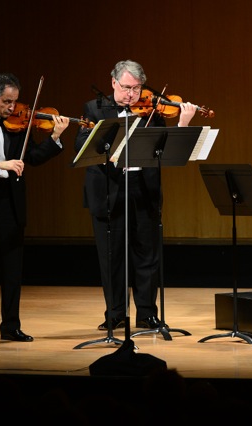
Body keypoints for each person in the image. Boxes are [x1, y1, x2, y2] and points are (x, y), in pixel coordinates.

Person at [74, 59, 196, 332]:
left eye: (137, 88)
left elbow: (168, 147)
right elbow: (81, 145)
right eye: (126, 88)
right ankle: (115, 313)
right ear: (113, 83)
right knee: (111, 256)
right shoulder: (94, 108)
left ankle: (147, 314)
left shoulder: (151, 110)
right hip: (109, 189)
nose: (132, 94)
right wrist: (106, 150)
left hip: (143, 187)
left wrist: (183, 122)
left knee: (147, 255)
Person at [0, 73, 69, 346]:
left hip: (10, 200)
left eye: (15, 101)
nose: (12, 107)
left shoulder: (19, 122)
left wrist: (55, 137)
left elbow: (32, 157)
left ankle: (10, 327)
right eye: (7, 102)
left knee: (12, 268)